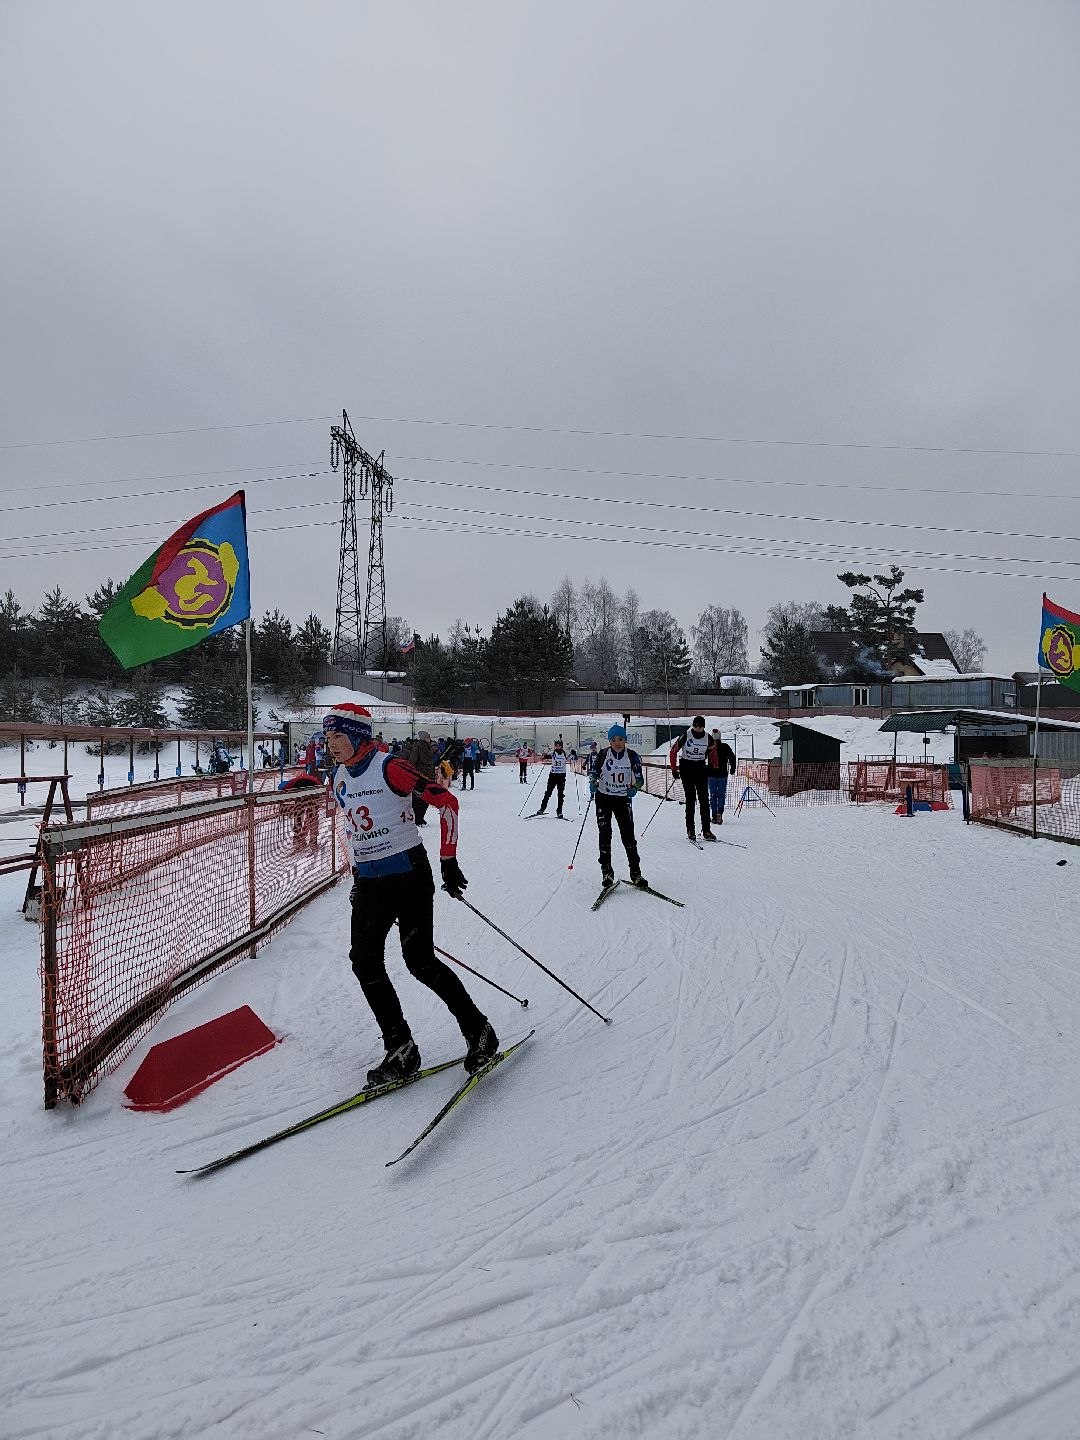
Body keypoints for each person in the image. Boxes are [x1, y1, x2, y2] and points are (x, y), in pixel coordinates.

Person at [323, 703, 498, 1082]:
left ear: (356, 735)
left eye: (338, 736)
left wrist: (448, 861)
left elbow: (447, 803)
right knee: (364, 961)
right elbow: (355, 830)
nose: (331, 743)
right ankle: (400, 1047)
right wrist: (357, 875)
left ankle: (479, 1031)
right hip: (370, 883)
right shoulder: (338, 776)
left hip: (408, 876)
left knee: (419, 962)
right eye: (328, 736)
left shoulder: (390, 767)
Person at [589, 724, 646, 888]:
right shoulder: (603, 754)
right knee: (605, 834)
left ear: (625, 740)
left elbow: (640, 779)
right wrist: (593, 783)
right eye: (613, 740)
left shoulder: (632, 756)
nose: (617, 743)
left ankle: (636, 873)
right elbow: (593, 773)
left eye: (620, 739)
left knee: (628, 836)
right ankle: (607, 872)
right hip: (604, 798)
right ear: (609, 741)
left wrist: (635, 788)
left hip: (622, 799)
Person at [670, 715, 715, 842]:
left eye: (700, 726)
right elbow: (673, 751)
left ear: (704, 727)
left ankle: (706, 830)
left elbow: (713, 750)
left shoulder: (708, 738)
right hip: (687, 767)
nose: (698, 728)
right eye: (696, 726)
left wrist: (712, 764)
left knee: (704, 800)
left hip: (700, 767)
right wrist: (674, 769)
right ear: (693, 726)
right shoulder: (686, 735)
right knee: (690, 799)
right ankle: (691, 830)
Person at [404, 730, 436, 826]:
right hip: (420, 776)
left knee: (426, 799)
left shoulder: (428, 747)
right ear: (423, 738)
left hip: (429, 776)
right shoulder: (417, 747)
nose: (429, 738)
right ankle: (417, 818)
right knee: (418, 799)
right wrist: (415, 774)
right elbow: (412, 762)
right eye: (428, 737)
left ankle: (421, 817)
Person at [707, 728, 738, 825]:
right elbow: (732, 757)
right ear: (720, 737)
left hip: (711, 775)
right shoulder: (725, 747)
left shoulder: (709, 747)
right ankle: (720, 812)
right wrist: (733, 768)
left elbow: (701, 757)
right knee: (721, 795)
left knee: (713, 795)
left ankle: (714, 815)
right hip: (722, 775)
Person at [537, 738, 569, 817]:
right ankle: (542, 809)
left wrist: (574, 754)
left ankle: (559, 811)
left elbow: (574, 758)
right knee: (548, 792)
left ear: (561, 746)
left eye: (559, 745)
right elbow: (544, 757)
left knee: (560, 794)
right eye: (556, 745)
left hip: (561, 776)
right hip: (553, 776)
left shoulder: (565, 753)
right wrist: (544, 756)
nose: (558, 746)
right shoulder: (553, 753)